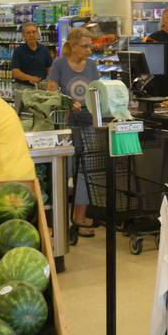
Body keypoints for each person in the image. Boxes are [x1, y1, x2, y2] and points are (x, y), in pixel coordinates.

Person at [47, 27, 100, 236]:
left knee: (86, 170)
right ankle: (61, 219)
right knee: (65, 170)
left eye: (91, 46)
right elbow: (51, 91)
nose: (89, 50)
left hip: (87, 122)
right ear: (73, 46)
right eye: (85, 46)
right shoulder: (59, 64)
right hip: (65, 124)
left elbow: (96, 90)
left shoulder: (93, 65)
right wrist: (68, 102)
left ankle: (79, 217)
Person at [11, 22, 53, 86]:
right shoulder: (18, 51)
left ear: (38, 34)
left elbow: (50, 68)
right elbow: (15, 72)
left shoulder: (44, 50)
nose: (31, 35)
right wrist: (30, 78)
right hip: (22, 88)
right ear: (24, 35)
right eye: (28, 33)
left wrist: (52, 81)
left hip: (41, 87)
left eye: (34, 32)